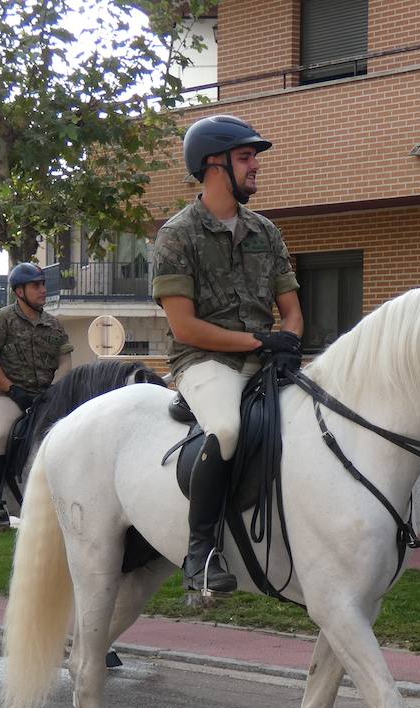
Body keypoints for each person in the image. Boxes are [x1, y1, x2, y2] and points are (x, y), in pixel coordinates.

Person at [152, 114, 304, 595]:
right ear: (213, 166)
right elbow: (185, 326)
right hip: (202, 362)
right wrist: (261, 342)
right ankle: (200, 554)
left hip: (266, 358)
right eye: (245, 157)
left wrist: (289, 343)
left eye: (254, 157)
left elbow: (292, 311)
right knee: (226, 429)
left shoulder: (267, 232)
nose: (255, 165)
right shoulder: (177, 235)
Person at [0, 262, 73, 527]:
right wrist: (11, 389)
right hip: (8, 394)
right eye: (35, 286)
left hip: (46, 396)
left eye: (43, 285)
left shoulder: (54, 325)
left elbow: (65, 361)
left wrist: (55, 390)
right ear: (19, 291)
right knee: (1, 435)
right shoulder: (1, 319)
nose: (42, 290)